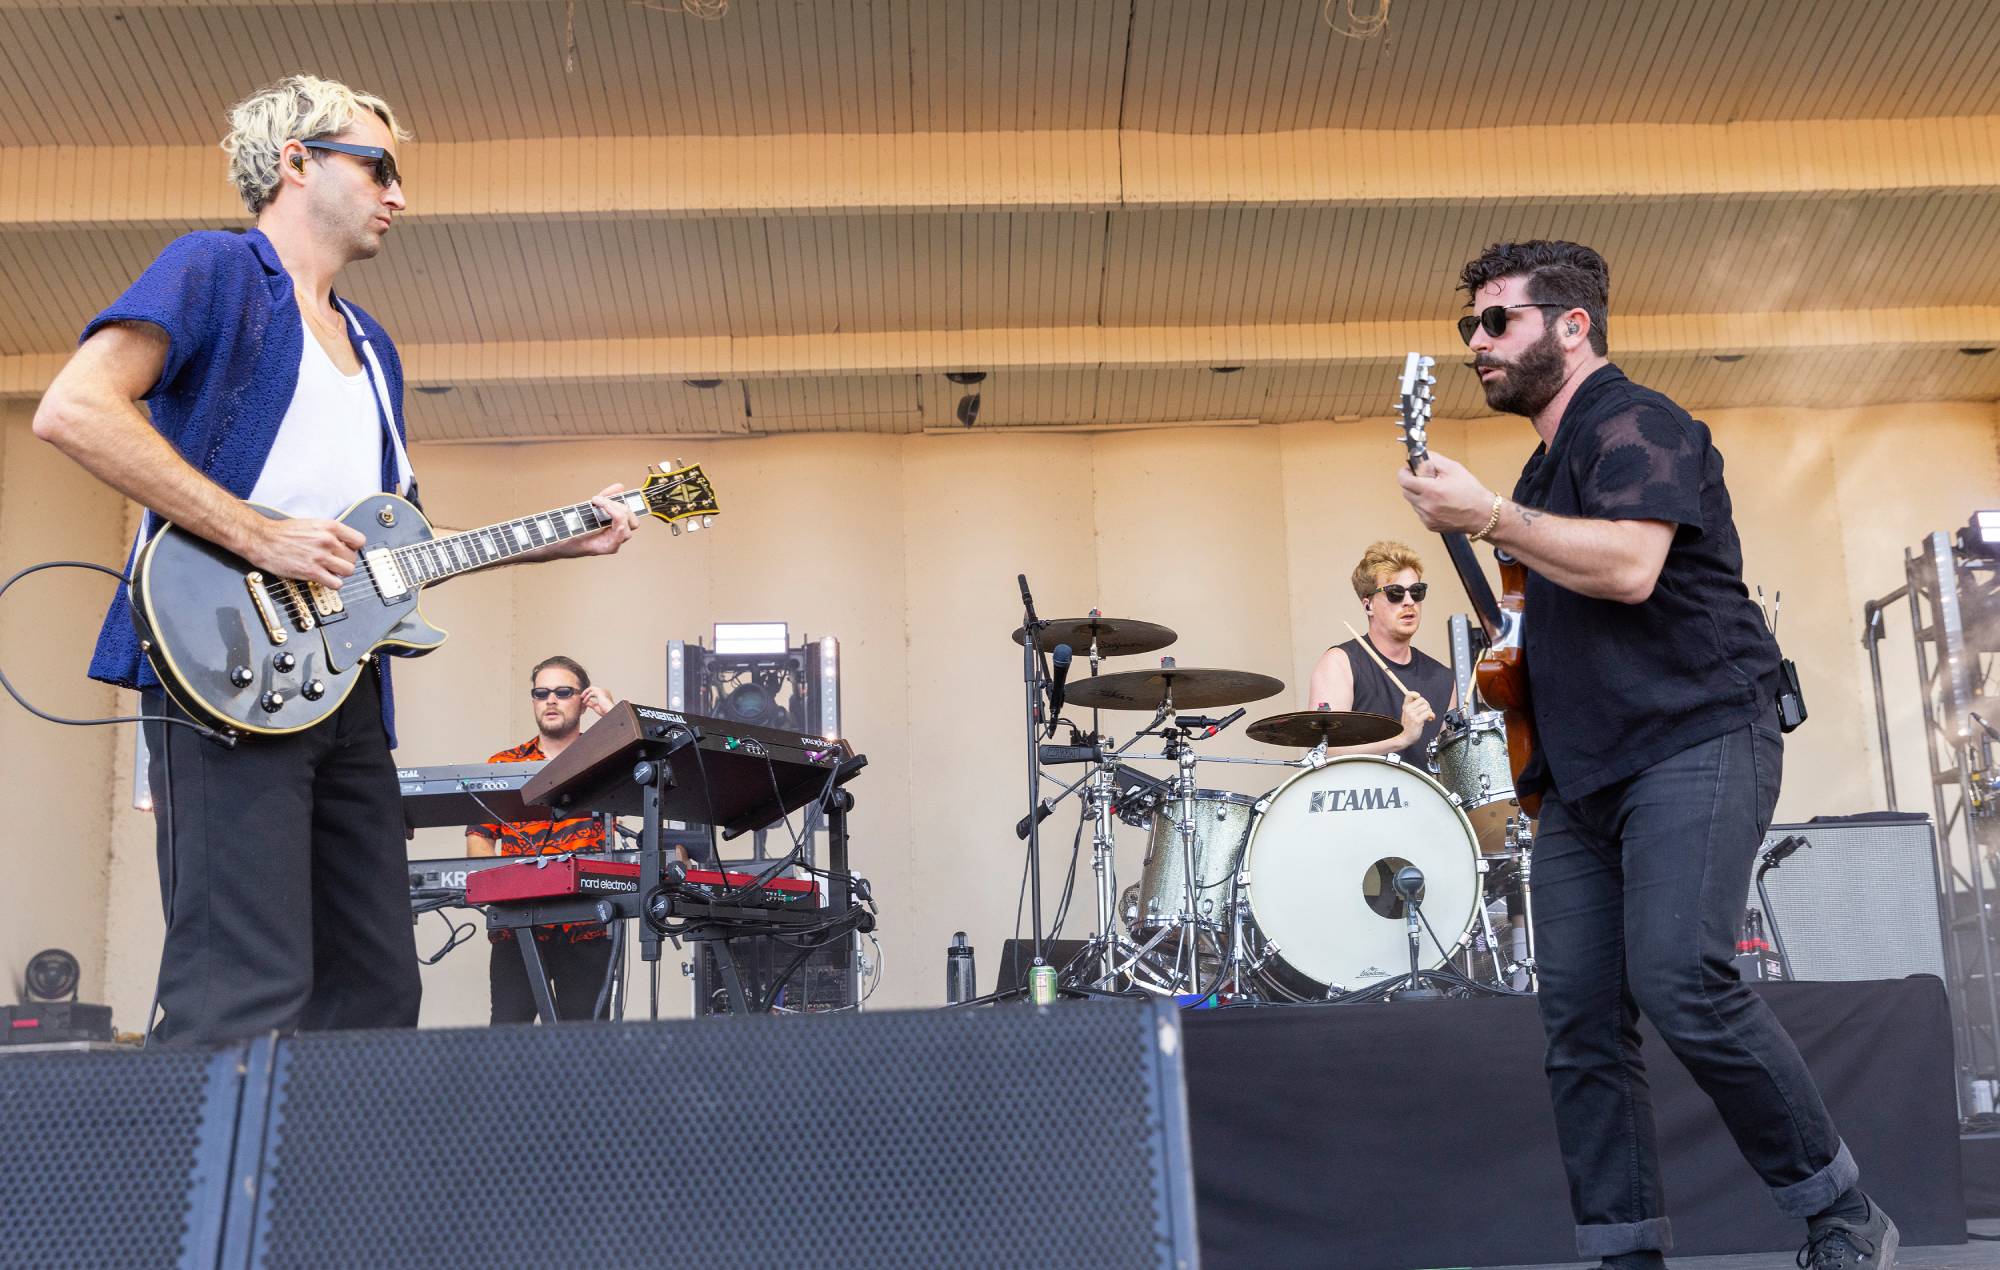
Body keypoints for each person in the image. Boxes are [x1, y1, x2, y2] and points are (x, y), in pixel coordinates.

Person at [31, 75, 637, 1047]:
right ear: (296, 161)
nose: (399, 195)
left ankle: (335, 1201)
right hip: (221, 668)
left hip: (343, 692)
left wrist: (551, 538)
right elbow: (74, 409)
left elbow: (393, 558)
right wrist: (257, 533)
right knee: (241, 985)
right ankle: (208, 1202)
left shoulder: (375, 347)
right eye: (379, 166)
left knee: (375, 987)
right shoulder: (218, 271)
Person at [1396, 239, 1894, 1270]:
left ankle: (1840, 1213)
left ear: (1571, 326)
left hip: (1695, 736)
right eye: (1467, 328)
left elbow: (1627, 565)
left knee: (1680, 976)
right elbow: (1544, 619)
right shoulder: (1539, 467)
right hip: (1580, 778)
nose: (1476, 344)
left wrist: (1486, 513)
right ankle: (1622, 1251)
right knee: (1577, 1021)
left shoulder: (1633, 420)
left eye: (1498, 322)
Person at [467, 657, 621, 1024]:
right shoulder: (502, 764)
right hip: (516, 928)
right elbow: (478, 839)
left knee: (586, 1045)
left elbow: (657, 778)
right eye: (541, 693)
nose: (550, 700)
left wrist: (613, 716)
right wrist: (502, 884)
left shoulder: (607, 758)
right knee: (508, 1040)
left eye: (563, 692)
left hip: (587, 925)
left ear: (583, 699)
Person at [1303, 540, 1450, 763]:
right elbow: (1321, 752)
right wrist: (1401, 738)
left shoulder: (1443, 678)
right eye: (1395, 593)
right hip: (1360, 797)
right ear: (1368, 605)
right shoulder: (1340, 663)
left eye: (1417, 592)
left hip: (1425, 797)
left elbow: (1453, 765)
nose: (1409, 601)